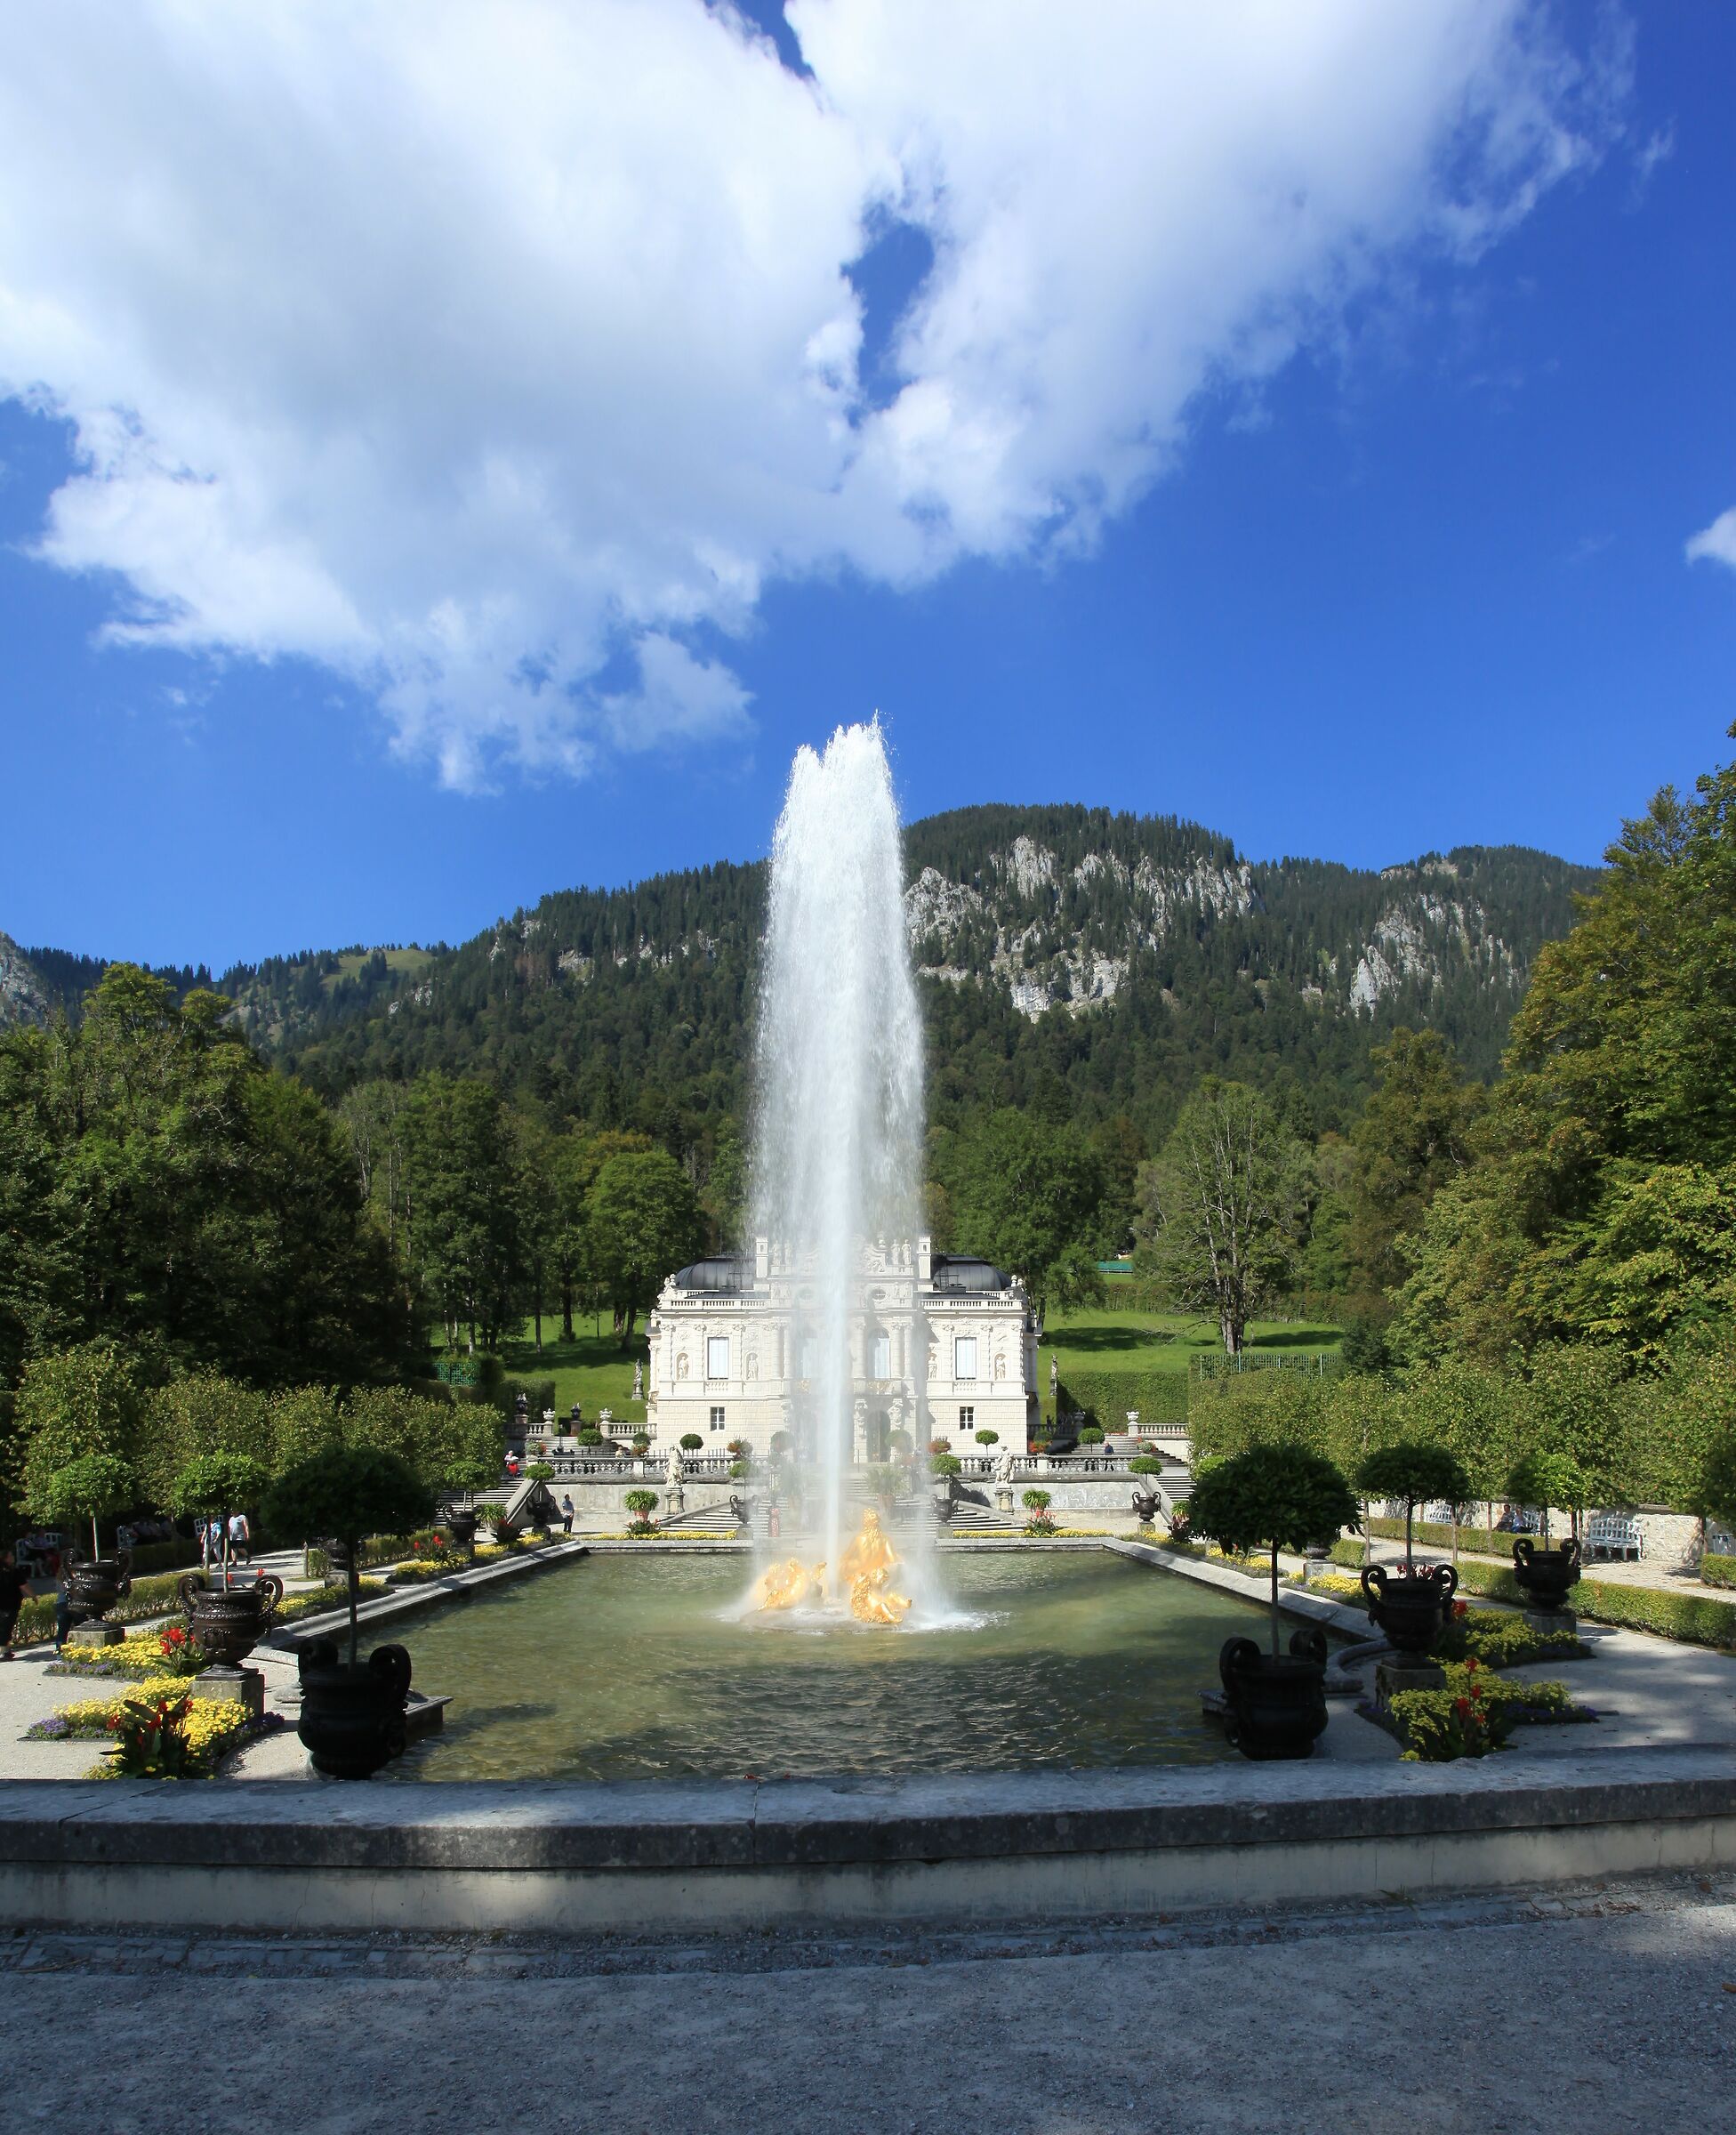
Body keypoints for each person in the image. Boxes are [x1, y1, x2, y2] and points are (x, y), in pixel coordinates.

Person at [0, 1547, 30, 1662]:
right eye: (11, 1556)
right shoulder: (14, 1571)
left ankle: (6, 1652)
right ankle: (3, 1652)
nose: (13, 1557)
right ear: (6, 1559)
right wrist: (33, 1595)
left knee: (4, 1627)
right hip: (11, 1604)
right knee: (6, 1628)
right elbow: (24, 1586)